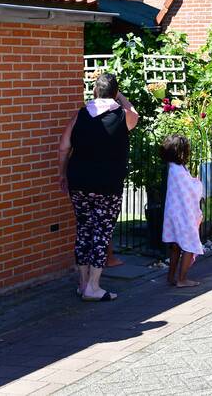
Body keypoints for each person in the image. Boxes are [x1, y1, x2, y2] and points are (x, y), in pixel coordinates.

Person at [58, 73, 138, 302]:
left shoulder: (80, 115)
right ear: (114, 93)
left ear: (94, 92)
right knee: (101, 233)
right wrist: (119, 94)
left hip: (79, 182)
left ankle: (83, 284)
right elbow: (135, 114)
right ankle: (93, 286)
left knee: (84, 230)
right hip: (107, 185)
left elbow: (64, 147)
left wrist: (62, 173)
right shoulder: (123, 116)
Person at [161, 135, 204, 288]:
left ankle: (171, 277)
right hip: (183, 215)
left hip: (174, 213)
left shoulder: (173, 167)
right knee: (189, 245)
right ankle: (182, 279)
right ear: (181, 152)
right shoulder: (178, 171)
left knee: (176, 246)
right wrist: (198, 182)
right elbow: (191, 190)